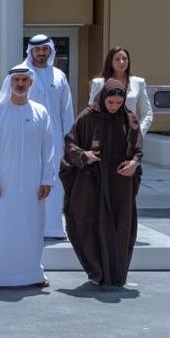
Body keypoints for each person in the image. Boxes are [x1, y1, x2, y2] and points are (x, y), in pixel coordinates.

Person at [0, 67, 57, 288]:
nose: (21, 84)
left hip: (33, 183)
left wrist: (47, 179)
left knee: (31, 227)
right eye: (17, 80)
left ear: (30, 84)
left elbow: (48, 149)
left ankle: (32, 274)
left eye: (24, 80)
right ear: (10, 83)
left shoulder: (40, 112)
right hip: (2, 183)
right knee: (1, 228)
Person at [62, 79, 143, 287]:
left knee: (120, 226)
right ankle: (97, 271)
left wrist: (134, 164)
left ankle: (116, 274)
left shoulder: (129, 119)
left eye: (118, 103)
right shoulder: (87, 117)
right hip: (93, 183)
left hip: (120, 184)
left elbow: (137, 150)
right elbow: (70, 144)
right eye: (110, 102)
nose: (114, 107)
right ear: (103, 98)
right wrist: (84, 155)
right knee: (88, 223)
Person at [14, 35, 74, 240]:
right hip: (26, 136)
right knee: (27, 180)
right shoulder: (20, 74)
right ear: (30, 51)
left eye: (44, 49)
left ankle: (53, 228)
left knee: (53, 181)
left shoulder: (59, 76)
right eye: (37, 49)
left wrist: (69, 141)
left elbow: (66, 111)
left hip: (55, 138)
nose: (41, 53)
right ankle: (27, 228)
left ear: (50, 51)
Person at [88, 47, 153, 136]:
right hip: (105, 137)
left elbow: (147, 113)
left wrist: (138, 134)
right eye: (117, 59)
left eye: (124, 59)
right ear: (110, 61)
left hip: (129, 136)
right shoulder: (98, 83)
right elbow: (92, 113)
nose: (121, 62)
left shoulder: (138, 82)